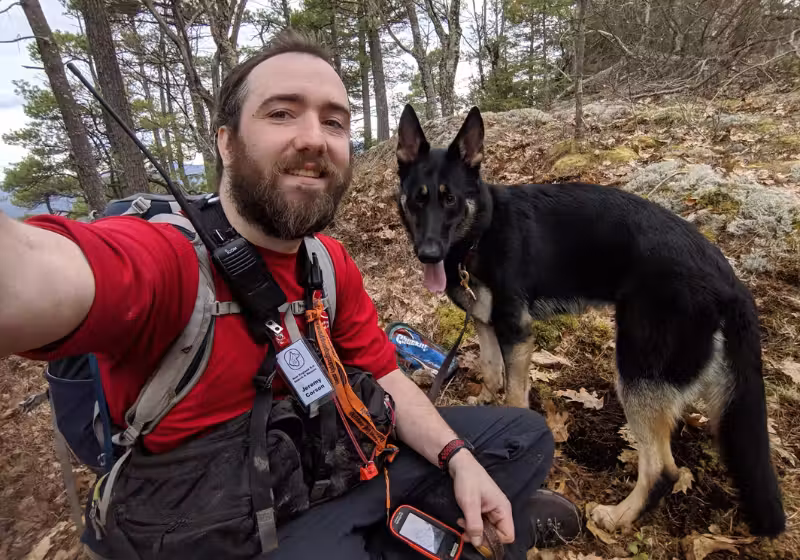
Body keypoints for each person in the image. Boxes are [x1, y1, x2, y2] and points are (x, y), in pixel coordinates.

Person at [0, 29, 580, 559]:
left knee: (519, 436)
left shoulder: (326, 265)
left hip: (322, 463)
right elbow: (30, 273)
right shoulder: (166, 261)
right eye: (281, 113)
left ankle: (426, 523)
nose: (313, 138)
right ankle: (442, 532)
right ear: (227, 143)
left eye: (334, 122)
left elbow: (384, 374)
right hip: (226, 527)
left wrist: (458, 459)